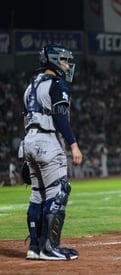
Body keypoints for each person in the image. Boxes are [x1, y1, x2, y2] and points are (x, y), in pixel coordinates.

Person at [21, 45, 82, 260]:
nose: (67, 64)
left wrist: (29, 149)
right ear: (55, 61)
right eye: (64, 60)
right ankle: (50, 248)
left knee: (37, 195)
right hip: (47, 141)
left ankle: (34, 247)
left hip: (28, 140)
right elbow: (60, 116)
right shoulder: (56, 83)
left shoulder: (30, 85)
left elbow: (25, 117)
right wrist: (73, 144)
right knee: (58, 194)